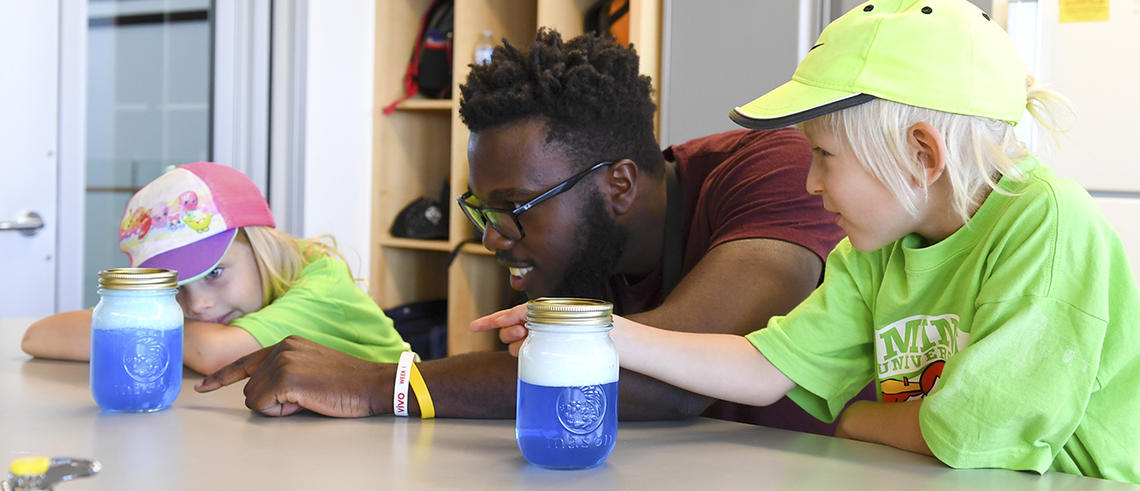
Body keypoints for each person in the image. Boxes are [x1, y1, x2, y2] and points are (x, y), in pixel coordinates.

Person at [476, 0, 1140, 483]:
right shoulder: (874, 252)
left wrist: (854, 418)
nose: (812, 184)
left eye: (824, 156)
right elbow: (765, 368)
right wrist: (604, 331)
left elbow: (969, 436)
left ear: (920, 154)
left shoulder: (1046, 223)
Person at [195, 30, 851, 429]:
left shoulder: (777, 168)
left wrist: (378, 384)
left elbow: (673, 381)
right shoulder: (578, 261)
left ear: (618, 183)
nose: (490, 237)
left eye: (514, 206)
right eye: (482, 209)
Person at [22, 161, 410, 374]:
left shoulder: (321, 283)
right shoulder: (230, 302)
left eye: (214, 273)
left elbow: (213, 353)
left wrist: (130, 322)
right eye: (176, 288)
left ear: (261, 246)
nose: (198, 305)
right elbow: (38, 337)